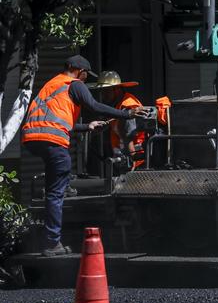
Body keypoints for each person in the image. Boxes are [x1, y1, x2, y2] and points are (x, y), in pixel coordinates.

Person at [21, 55, 145, 256]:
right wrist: (127, 114)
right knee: (56, 191)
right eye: (86, 75)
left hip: (32, 139)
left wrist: (87, 126)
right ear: (81, 71)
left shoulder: (52, 85)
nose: (86, 79)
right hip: (53, 141)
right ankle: (52, 243)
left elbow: (55, 121)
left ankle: (61, 195)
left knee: (55, 184)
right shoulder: (74, 84)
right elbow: (94, 106)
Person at [89, 71, 146, 170]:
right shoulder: (118, 104)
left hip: (135, 163)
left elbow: (128, 136)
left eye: (106, 91)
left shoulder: (128, 106)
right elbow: (113, 120)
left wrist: (132, 164)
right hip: (123, 160)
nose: (103, 95)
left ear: (117, 89)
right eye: (102, 91)